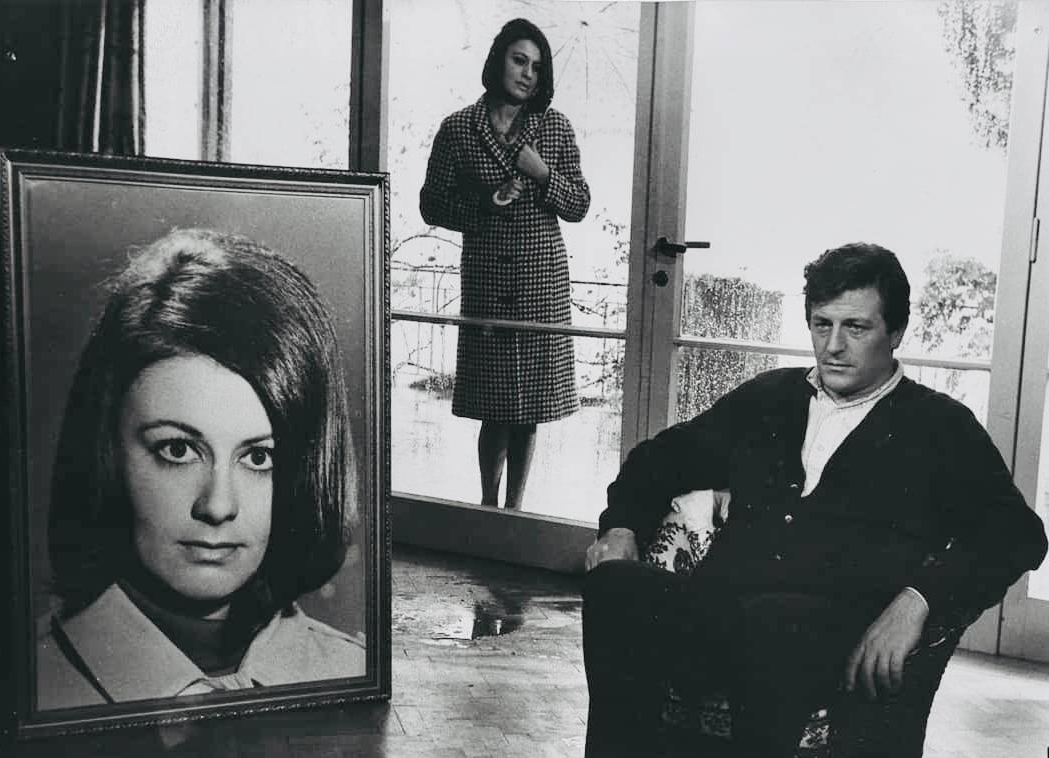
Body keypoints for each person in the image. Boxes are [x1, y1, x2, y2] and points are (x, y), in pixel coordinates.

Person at [582, 243, 1048, 757]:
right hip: (719, 612)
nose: (834, 346)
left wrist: (919, 600)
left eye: (856, 327)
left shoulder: (938, 426)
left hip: (825, 632)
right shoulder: (770, 398)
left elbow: (1017, 533)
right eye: (821, 324)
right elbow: (659, 459)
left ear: (895, 333)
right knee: (616, 588)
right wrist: (621, 527)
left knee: (775, 623)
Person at [36, 229, 365, 710]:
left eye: (258, 458)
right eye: (177, 450)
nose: (217, 505)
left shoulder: (351, 672)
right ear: (106, 451)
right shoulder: (34, 684)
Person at [420, 17, 590, 510]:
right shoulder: (458, 129)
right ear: (497, 61)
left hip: (541, 280)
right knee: (493, 406)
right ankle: (487, 508)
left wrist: (542, 173)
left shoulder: (554, 127)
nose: (528, 73)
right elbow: (432, 204)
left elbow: (578, 204)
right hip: (488, 275)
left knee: (528, 407)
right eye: (520, 60)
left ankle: (514, 512)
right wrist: (487, 202)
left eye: (537, 66)